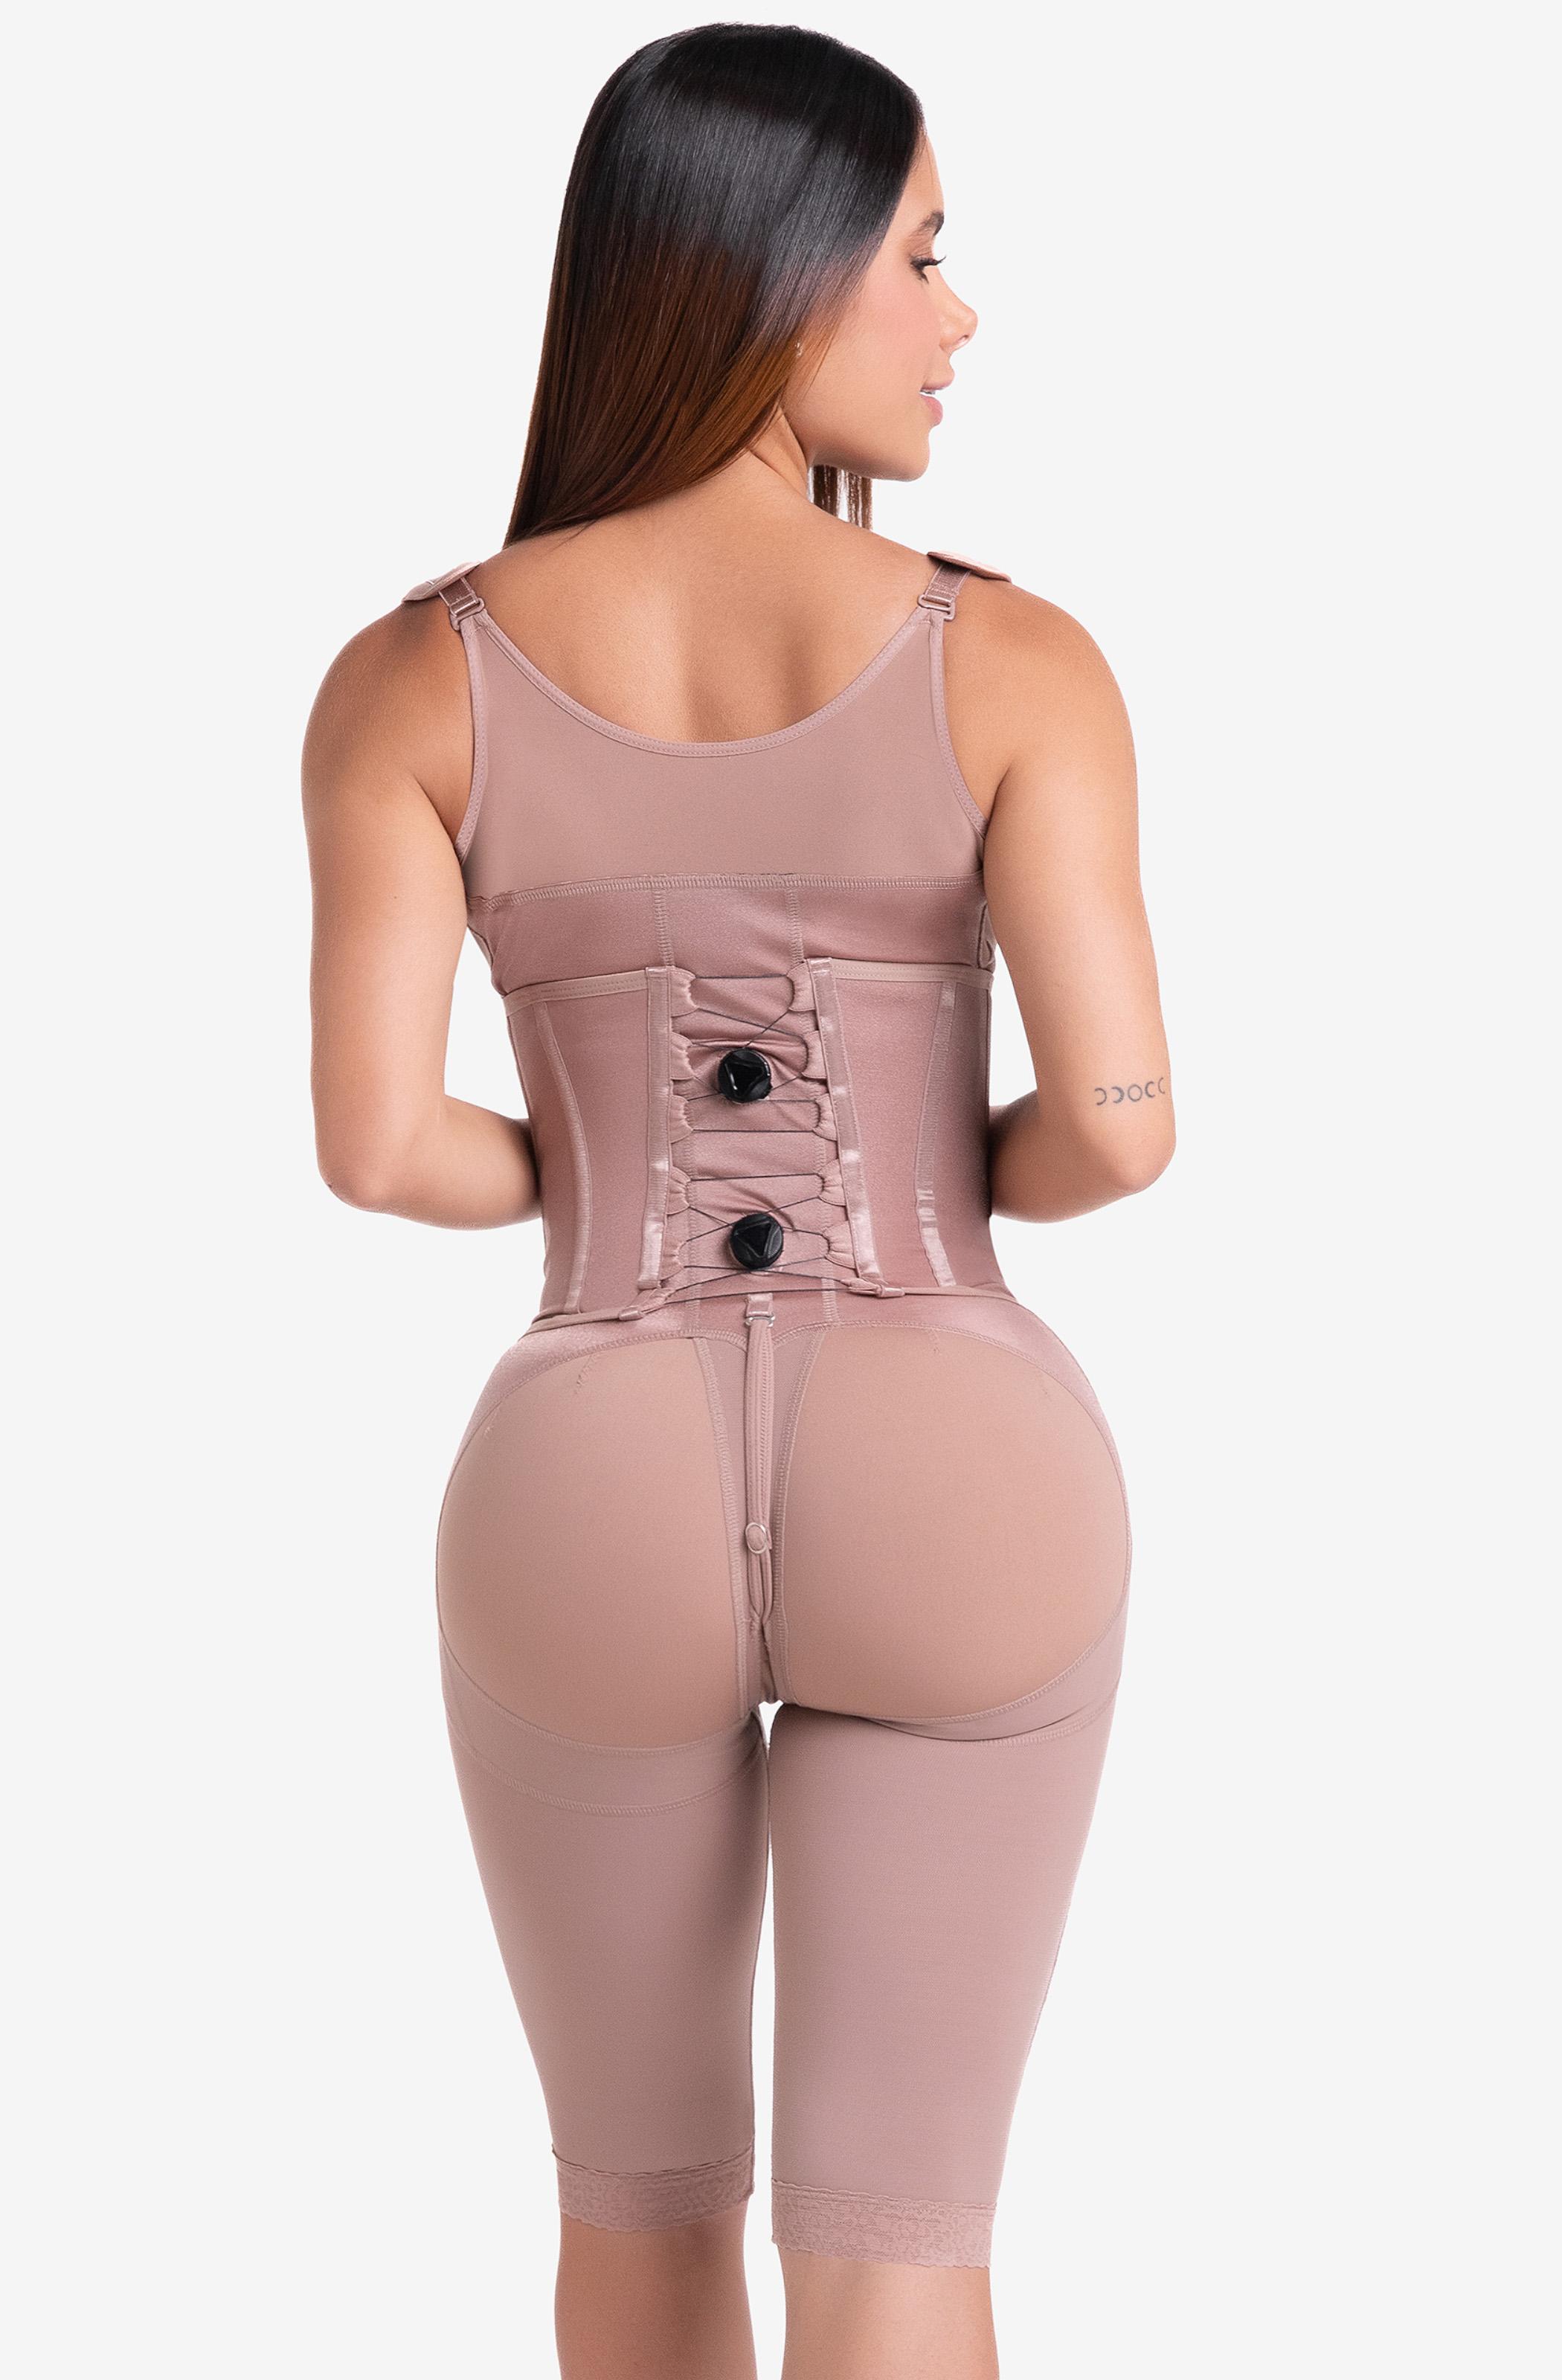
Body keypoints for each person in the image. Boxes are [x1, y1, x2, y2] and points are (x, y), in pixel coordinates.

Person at [303, 24, 1173, 2379]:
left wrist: (593, 1181)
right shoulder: (1013, 657)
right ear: (774, 271)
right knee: (899, 2244)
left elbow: (379, 1147)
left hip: (586, 1463)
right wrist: (939, 1188)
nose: (960, 314)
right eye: (923, 256)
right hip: (956, 1454)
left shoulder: (411, 675)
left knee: (637, 2217)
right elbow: (1117, 1127)